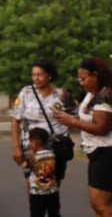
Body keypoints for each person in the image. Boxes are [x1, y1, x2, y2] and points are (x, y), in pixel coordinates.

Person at [55, 57, 112, 217]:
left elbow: (101, 127)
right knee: (101, 207)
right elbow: (88, 118)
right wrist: (68, 116)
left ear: (96, 75)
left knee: (101, 205)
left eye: (84, 78)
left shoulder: (105, 95)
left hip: (109, 152)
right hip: (99, 151)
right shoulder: (92, 94)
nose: (81, 83)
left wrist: (73, 121)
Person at [11, 59, 75, 189]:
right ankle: (35, 210)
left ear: (49, 75)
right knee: (33, 184)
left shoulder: (61, 95)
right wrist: (16, 147)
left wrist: (68, 121)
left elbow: (76, 116)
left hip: (55, 148)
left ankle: (52, 209)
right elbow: (15, 121)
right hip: (31, 148)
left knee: (53, 185)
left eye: (40, 74)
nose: (36, 78)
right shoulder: (26, 92)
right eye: (34, 75)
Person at [24, 127, 60, 217]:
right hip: (53, 191)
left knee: (37, 213)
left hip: (36, 192)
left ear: (33, 142)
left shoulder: (29, 156)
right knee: (54, 213)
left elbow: (26, 171)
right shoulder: (53, 154)